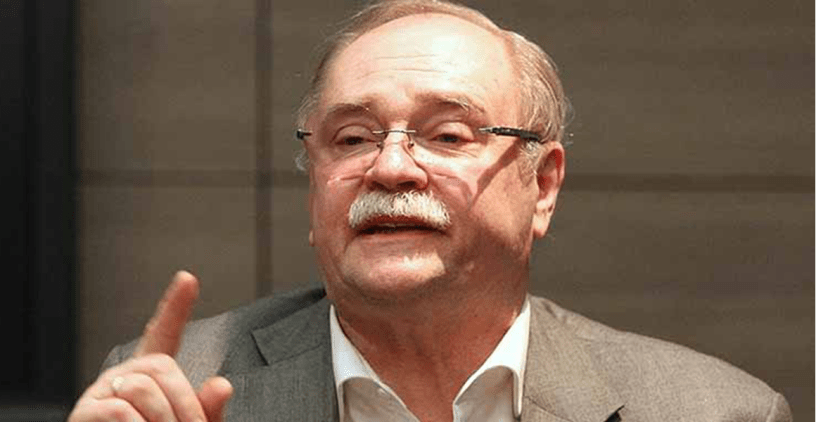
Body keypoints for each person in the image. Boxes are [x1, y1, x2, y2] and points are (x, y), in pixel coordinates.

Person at [68, 1, 792, 421]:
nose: (389, 167)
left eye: (447, 135)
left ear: (542, 186)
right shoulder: (171, 390)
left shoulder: (711, 411)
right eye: (352, 139)